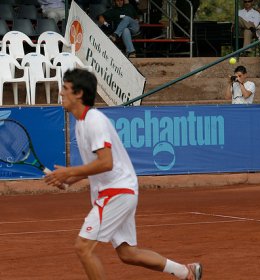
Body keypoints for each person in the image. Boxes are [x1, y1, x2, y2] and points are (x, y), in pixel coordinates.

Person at [44, 69, 202, 280]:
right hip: (118, 190)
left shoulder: (94, 120)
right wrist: (67, 180)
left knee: (83, 248)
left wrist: (69, 171)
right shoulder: (81, 123)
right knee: (128, 253)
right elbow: (94, 165)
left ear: (79, 93)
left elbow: (106, 163)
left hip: (116, 192)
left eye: (65, 88)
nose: (61, 93)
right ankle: (186, 272)